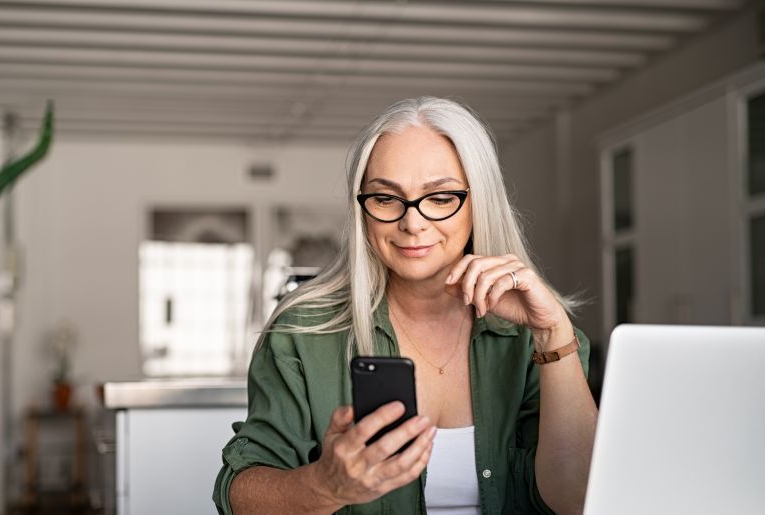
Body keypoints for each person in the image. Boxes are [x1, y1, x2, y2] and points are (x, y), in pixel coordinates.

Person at [213, 97, 598, 515]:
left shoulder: (539, 337)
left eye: (440, 197)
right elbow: (238, 495)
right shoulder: (303, 333)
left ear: (478, 202)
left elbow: (578, 499)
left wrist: (552, 333)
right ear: (362, 209)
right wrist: (324, 486)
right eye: (385, 199)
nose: (412, 223)